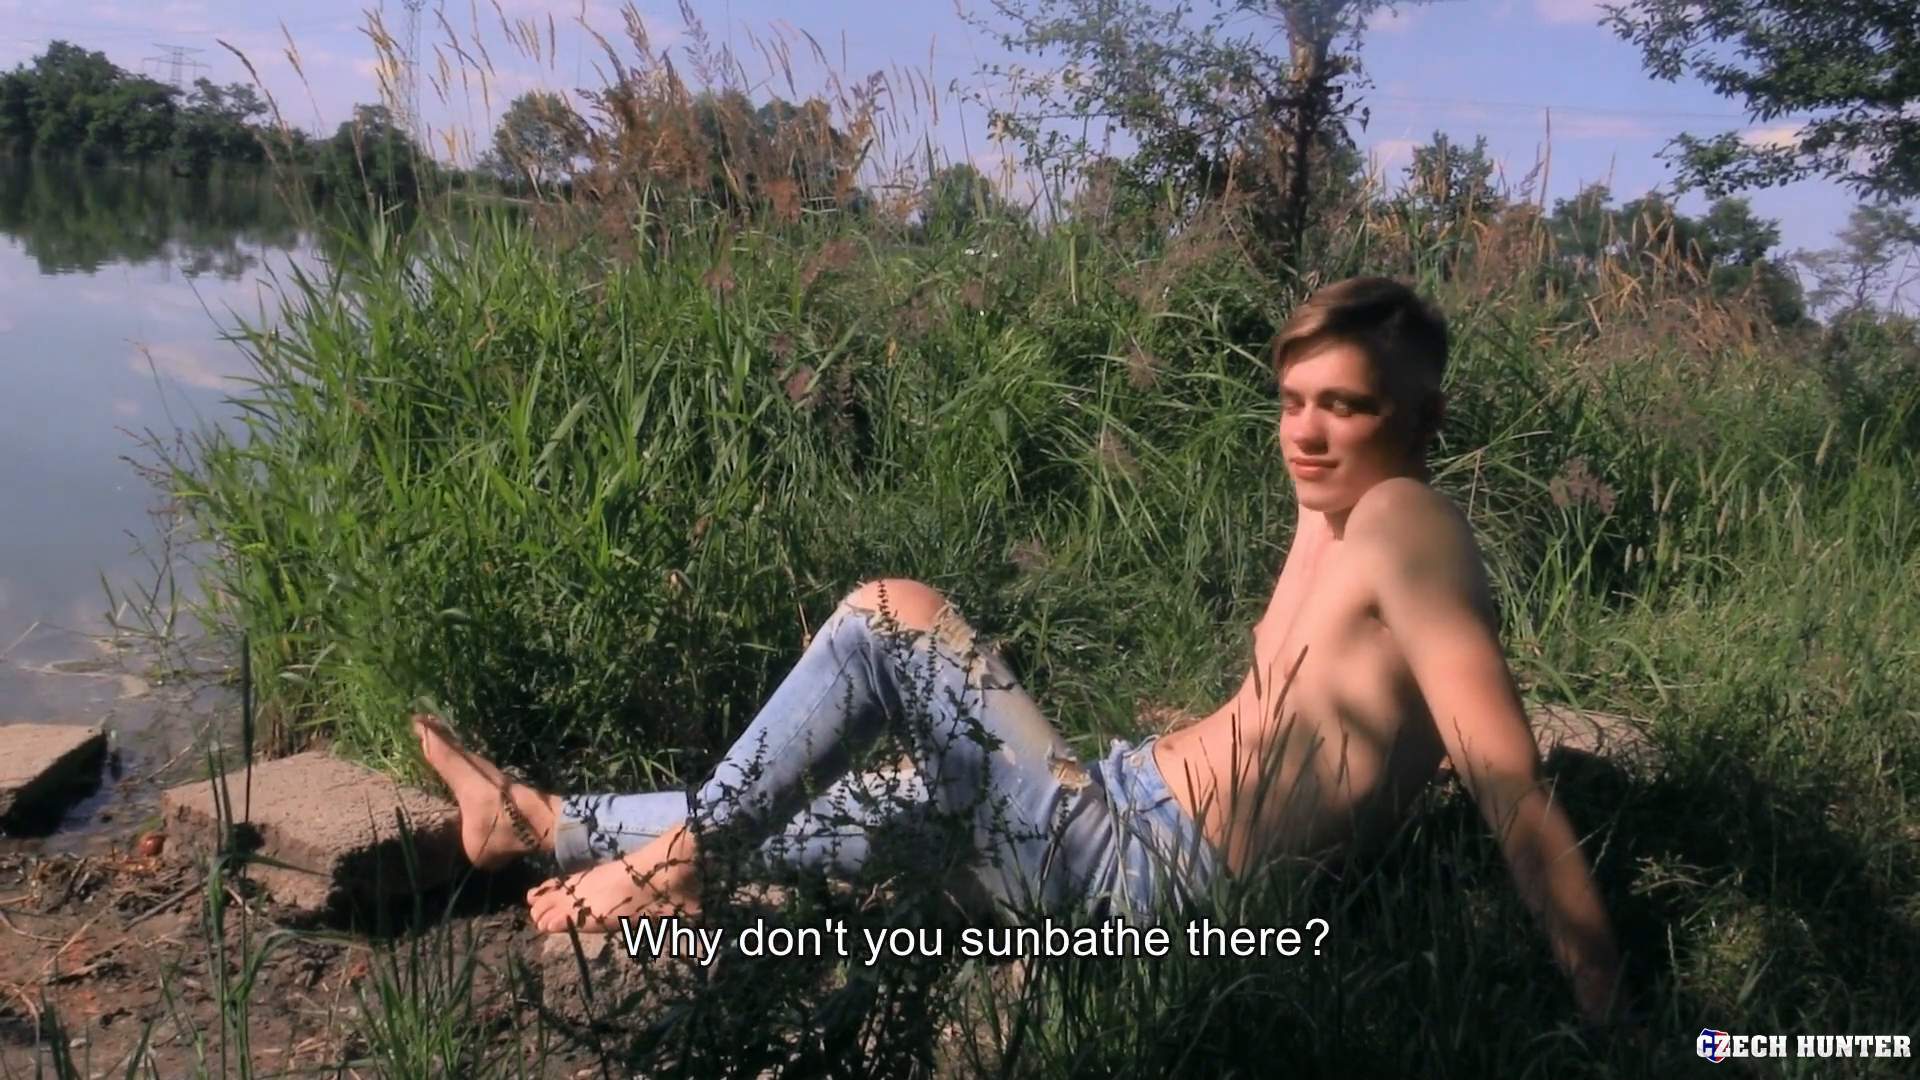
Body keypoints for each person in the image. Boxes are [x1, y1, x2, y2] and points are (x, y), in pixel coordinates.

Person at [411, 275, 1625, 1025]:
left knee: (890, 612)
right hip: (1126, 816)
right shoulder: (1340, 506)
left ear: (1424, 418)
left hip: (1149, 877)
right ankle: (535, 824)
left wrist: (1612, 1014)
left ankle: (670, 864)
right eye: (1292, 400)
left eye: (1345, 406)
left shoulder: (1407, 521)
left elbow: (1509, 783)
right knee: (869, 802)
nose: (1304, 433)